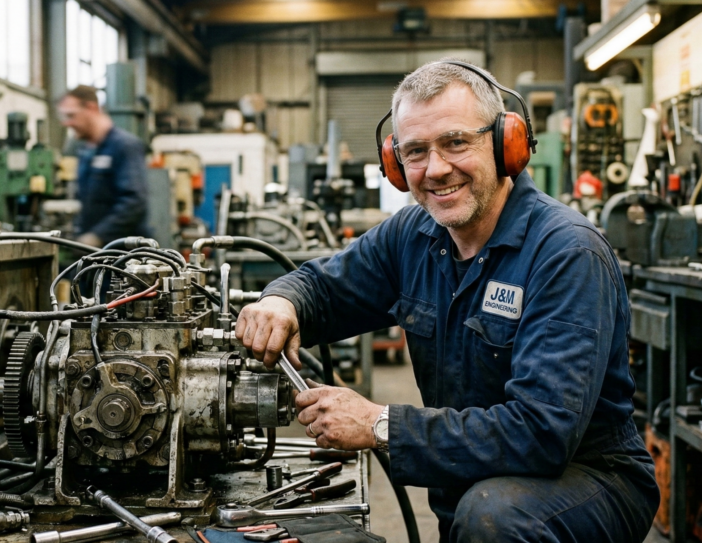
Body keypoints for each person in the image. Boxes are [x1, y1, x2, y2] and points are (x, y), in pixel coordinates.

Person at [235, 60, 659, 542]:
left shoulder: (566, 253)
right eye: (415, 152)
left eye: (456, 142)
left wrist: (379, 422)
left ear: (506, 143)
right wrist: (282, 302)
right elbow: (324, 287)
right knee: (479, 509)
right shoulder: (413, 236)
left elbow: (542, 432)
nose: (436, 169)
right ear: (395, 165)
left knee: (492, 516)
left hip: (591, 479)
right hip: (474, 486)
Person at [58, 85, 151, 248]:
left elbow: (134, 202)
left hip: (125, 255)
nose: (67, 123)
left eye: (71, 115)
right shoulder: (86, 151)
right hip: (98, 254)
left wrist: (97, 236)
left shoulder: (124, 146)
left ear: (91, 108)